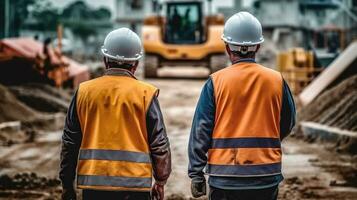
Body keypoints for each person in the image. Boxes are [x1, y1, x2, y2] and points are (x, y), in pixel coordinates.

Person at [188, 12, 296, 200]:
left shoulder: (215, 82)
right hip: (265, 175)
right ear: (259, 46)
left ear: (227, 47)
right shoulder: (276, 80)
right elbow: (288, 122)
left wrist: (196, 173)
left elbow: (201, 131)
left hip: (224, 178)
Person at [59, 28, 171, 200]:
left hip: (94, 185)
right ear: (136, 63)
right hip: (136, 186)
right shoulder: (145, 94)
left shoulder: (84, 92)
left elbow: (70, 142)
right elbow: (159, 143)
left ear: (105, 60)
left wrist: (67, 183)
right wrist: (160, 181)